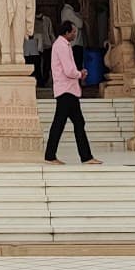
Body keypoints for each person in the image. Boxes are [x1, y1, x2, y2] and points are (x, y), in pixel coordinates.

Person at [44, 21, 101, 166]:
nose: (75, 34)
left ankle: (54, 155)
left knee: (72, 122)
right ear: (67, 32)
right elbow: (68, 70)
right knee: (66, 123)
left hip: (67, 89)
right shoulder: (62, 46)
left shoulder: (62, 45)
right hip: (66, 90)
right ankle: (83, 156)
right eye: (73, 32)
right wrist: (80, 74)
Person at [60, 0, 85, 68]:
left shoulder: (67, 11)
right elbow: (80, 24)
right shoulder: (68, 11)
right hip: (74, 43)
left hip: (72, 42)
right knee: (77, 66)